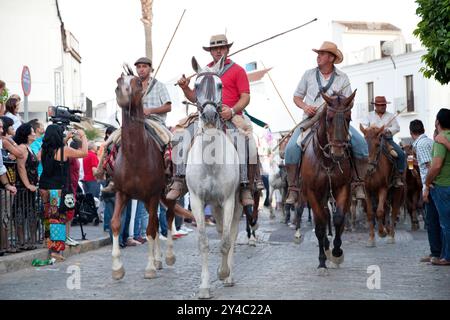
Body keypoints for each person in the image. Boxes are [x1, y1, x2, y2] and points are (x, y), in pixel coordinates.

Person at [167, 34, 258, 206]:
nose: (218, 51)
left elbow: (245, 97)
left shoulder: (238, 70)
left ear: (227, 49)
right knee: (180, 136)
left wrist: (231, 111)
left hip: (231, 114)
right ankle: (178, 179)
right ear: (210, 51)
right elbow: (195, 98)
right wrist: (185, 87)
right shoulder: (203, 71)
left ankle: (246, 184)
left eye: (221, 47)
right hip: (205, 115)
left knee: (247, 142)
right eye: (214, 48)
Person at [285, 41, 368, 203]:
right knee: (290, 148)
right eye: (318, 54)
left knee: (361, 144)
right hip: (310, 120)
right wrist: (306, 107)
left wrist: (338, 102)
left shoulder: (343, 78)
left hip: (335, 121)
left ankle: (358, 183)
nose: (318, 56)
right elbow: (296, 97)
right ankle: (293, 188)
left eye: (322, 54)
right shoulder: (308, 75)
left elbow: (349, 103)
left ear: (331, 58)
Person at [95, 57, 173, 180]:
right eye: (139, 67)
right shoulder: (131, 86)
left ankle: (170, 171)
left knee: (168, 139)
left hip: (155, 121)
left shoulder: (159, 86)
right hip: (134, 122)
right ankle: (109, 174)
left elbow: (168, 107)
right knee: (111, 141)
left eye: (144, 66)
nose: (141, 69)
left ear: (150, 69)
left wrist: (150, 110)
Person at [39, 125, 87, 261]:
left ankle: (47, 242)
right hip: (56, 189)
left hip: (44, 186)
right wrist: (83, 135)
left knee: (48, 216)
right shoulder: (63, 150)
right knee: (58, 219)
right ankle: (56, 250)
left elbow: (40, 158)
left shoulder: (44, 149)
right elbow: (84, 153)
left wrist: (66, 139)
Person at [423, 108, 450, 266]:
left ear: (437, 122)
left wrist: (427, 182)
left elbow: (436, 165)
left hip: (442, 186)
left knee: (445, 223)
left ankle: (446, 257)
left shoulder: (440, 138)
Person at [361, 96, 406, 187]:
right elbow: (364, 126)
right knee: (359, 153)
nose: (383, 107)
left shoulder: (390, 115)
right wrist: (373, 129)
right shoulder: (369, 115)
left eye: (384, 105)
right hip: (372, 141)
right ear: (376, 106)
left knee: (401, 154)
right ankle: (359, 178)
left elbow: (397, 128)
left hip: (387, 140)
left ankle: (398, 176)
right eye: (380, 105)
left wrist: (387, 130)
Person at [410, 119, 436, 262]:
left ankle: (435, 252)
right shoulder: (429, 142)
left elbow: (428, 165)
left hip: (430, 186)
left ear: (411, 132)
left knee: (431, 221)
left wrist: (426, 187)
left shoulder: (420, 145)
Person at [13, 123, 39, 249]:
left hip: (30, 187)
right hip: (23, 188)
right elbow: (21, 167)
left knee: (31, 214)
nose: (34, 134)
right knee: (20, 214)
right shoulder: (22, 148)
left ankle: (30, 241)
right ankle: (22, 242)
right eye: (32, 132)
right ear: (26, 135)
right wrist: (27, 184)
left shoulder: (29, 148)